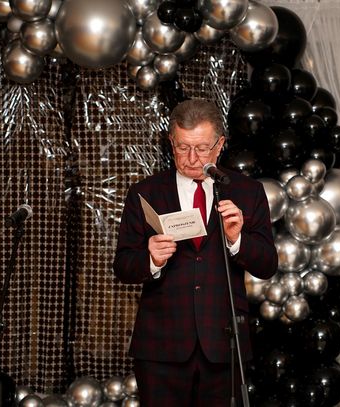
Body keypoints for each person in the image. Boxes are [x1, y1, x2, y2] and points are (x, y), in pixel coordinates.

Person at [113, 99, 278, 406]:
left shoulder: (247, 191)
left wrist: (237, 239)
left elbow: (268, 264)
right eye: (182, 147)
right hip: (161, 349)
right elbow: (123, 266)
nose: (191, 158)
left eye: (201, 148)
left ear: (220, 145)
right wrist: (151, 259)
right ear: (171, 142)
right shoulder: (145, 193)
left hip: (224, 345)